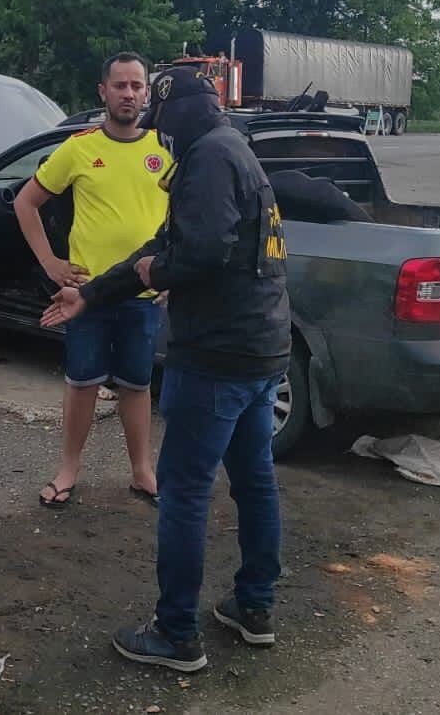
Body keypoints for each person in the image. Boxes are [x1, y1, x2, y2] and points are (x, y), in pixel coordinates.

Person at [42, 66, 290, 673]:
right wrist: (92, 293)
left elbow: (196, 255)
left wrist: (159, 275)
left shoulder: (206, 158)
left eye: (161, 122)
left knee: (183, 492)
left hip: (218, 357)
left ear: (176, 116)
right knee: (255, 480)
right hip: (263, 350)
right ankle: (253, 608)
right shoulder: (234, 151)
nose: (159, 135)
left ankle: (177, 633)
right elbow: (162, 245)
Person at [15, 52, 171, 509]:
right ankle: (68, 469)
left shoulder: (164, 148)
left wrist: (171, 272)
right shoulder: (79, 148)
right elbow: (25, 204)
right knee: (82, 382)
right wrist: (50, 263)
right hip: (84, 295)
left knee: (137, 384)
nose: (129, 94)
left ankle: (143, 472)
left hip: (142, 294)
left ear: (146, 92)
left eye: (137, 86)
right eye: (120, 85)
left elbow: (185, 216)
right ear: (102, 91)